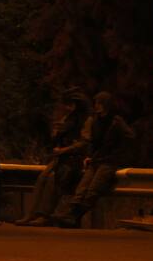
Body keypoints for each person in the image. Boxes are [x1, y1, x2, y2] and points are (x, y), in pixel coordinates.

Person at [15, 87, 91, 226]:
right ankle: (31, 214)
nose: (66, 107)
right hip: (60, 157)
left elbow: (84, 142)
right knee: (42, 178)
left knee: (52, 180)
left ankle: (44, 215)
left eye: (69, 104)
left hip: (74, 159)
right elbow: (55, 139)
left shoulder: (85, 120)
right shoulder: (66, 119)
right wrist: (56, 133)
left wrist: (66, 149)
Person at [57, 91, 134, 229]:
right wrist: (90, 156)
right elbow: (93, 141)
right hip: (97, 159)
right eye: (96, 103)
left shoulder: (116, 121)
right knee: (82, 187)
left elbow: (129, 137)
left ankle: (75, 216)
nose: (97, 106)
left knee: (94, 188)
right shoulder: (96, 121)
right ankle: (70, 214)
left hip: (110, 160)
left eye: (100, 103)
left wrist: (119, 152)